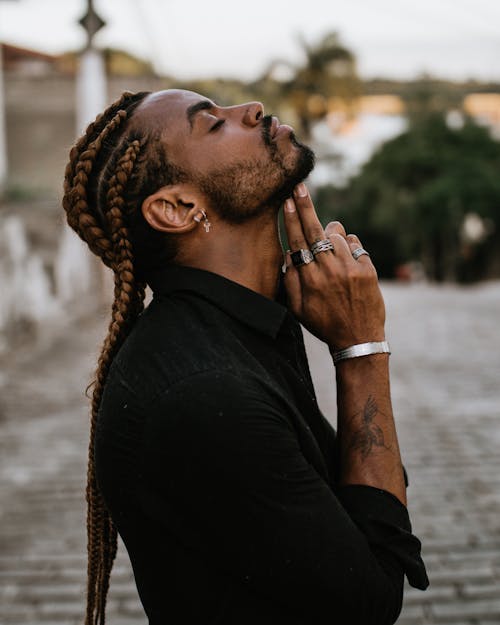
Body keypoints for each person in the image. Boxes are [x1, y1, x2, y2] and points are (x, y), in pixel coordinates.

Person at [62, 89, 429, 625]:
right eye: (212, 124)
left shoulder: (245, 325)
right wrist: (361, 348)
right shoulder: (203, 391)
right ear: (178, 208)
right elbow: (370, 601)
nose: (251, 110)